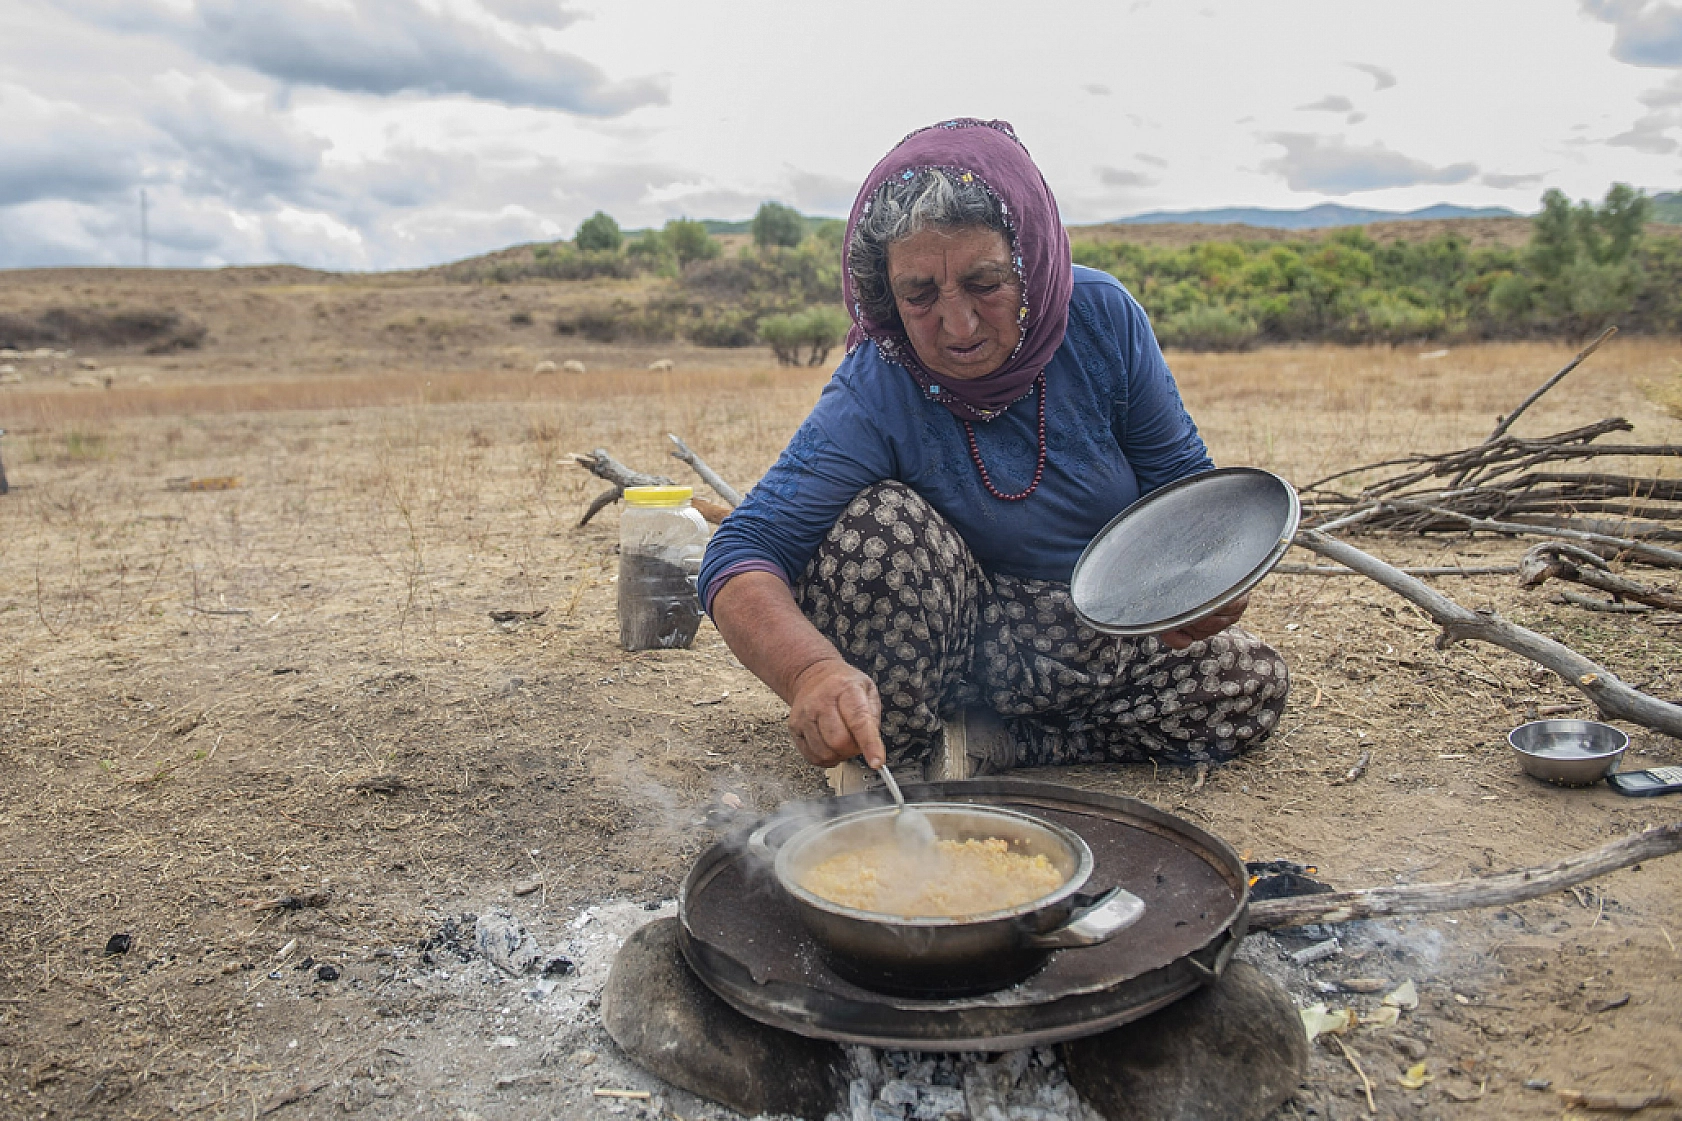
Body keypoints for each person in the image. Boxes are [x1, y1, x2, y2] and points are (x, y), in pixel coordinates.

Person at [699, 118, 1288, 788]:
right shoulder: (881, 377)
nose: (957, 324)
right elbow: (741, 550)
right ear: (887, 292)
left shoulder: (1102, 319)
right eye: (919, 293)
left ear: (1030, 262)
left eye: (985, 283)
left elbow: (1187, 492)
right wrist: (810, 672)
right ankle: (911, 743)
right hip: (956, 654)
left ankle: (995, 747)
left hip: (1107, 641)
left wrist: (1200, 583)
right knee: (878, 527)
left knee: (1249, 681)